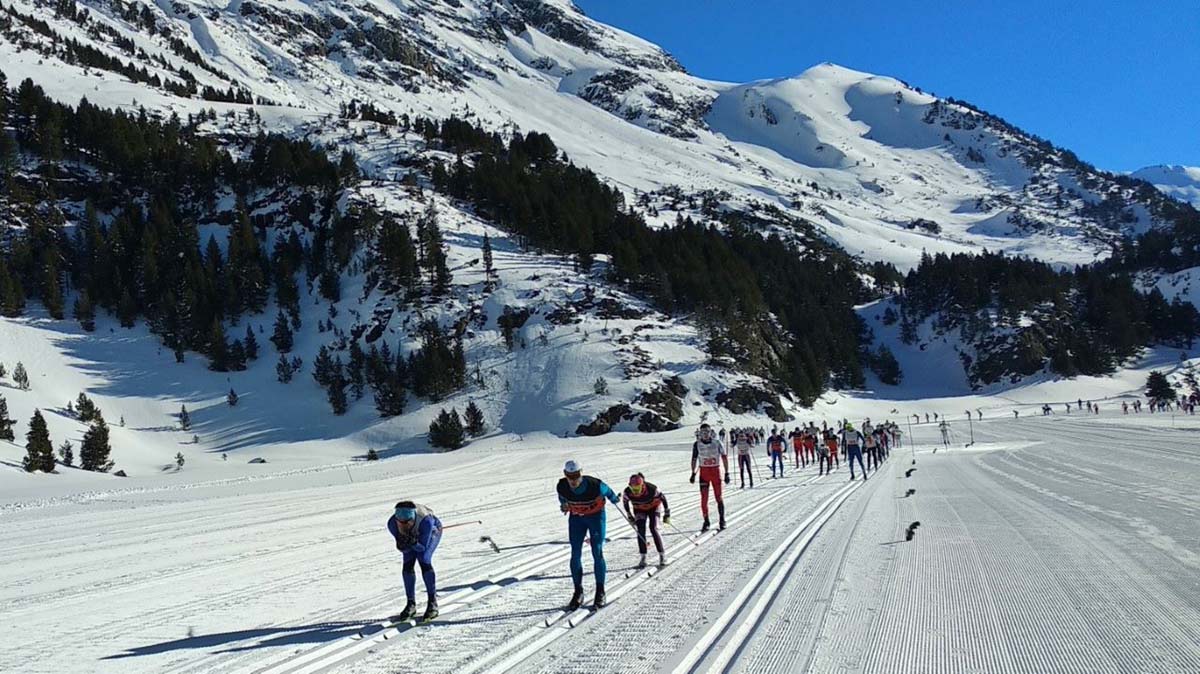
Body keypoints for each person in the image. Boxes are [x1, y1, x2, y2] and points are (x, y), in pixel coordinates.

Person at [557, 459, 621, 609]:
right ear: (565, 475)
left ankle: (600, 591)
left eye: (576, 475)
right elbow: (562, 498)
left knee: (597, 551)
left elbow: (608, 491)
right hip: (577, 519)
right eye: (570, 476)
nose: (573, 480)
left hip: (595, 517)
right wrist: (564, 505)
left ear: (581, 472)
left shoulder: (595, 485)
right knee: (575, 553)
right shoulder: (562, 486)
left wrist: (615, 499)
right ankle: (578, 591)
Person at [387, 501, 443, 623]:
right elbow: (402, 548)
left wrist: (414, 543)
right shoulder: (392, 524)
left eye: (407, 522)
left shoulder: (426, 521)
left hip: (432, 530)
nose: (403, 525)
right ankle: (410, 603)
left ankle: (432, 602)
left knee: (423, 559)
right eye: (400, 522)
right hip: (415, 535)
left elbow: (422, 547)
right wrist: (405, 543)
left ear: (413, 519)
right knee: (407, 564)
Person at [622, 473, 671, 568]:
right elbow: (625, 502)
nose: (636, 491)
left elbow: (663, 498)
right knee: (640, 530)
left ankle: (662, 555)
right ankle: (643, 557)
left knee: (654, 528)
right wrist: (629, 515)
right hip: (639, 509)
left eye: (638, 488)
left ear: (642, 485)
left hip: (654, 507)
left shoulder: (652, 489)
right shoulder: (627, 492)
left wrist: (667, 513)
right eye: (633, 488)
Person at [691, 423, 729, 532]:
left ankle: (722, 520)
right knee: (704, 500)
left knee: (718, 497)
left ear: (710, 432)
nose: (705, 434)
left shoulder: (717, 443)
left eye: (707, 432)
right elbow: (693, 459)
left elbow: (724, 457)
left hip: (715, 472)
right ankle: (706, 521)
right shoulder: (696, 444)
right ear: (700, 433)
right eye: (703, 432)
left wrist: (727, 473)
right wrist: (693, 473)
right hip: (704, 473)